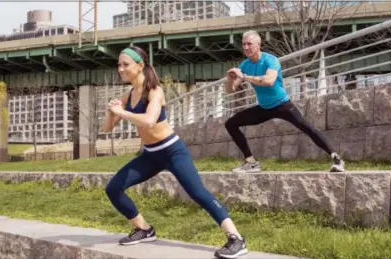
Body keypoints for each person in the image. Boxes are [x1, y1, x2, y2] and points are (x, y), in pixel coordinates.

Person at [102, 46, 248, 259]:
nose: (120, 69)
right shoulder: (128, 95)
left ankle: (236, 238)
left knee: (198, 193)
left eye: (125, 65)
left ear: (140, 65)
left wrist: (121, 113)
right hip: (150, 155)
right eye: (119, 65)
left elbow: (150, 121)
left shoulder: (154, 91)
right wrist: (111, 112)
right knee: (113, 188)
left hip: (172, 151)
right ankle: (144, 229)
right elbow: (107, 128)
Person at [224, 30, 345, 174]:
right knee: (230, 123)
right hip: (264, 108)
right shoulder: (245, 65)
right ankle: (250, 162)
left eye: (249, 44)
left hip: (282, 104)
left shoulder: (270, 60)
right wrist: (229, 79)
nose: (246, 47)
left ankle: (337, 159)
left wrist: (244, 76)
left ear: (258, 44)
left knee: (307, 128)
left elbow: (269, 81)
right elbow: (231, 89)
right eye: (243, 44)